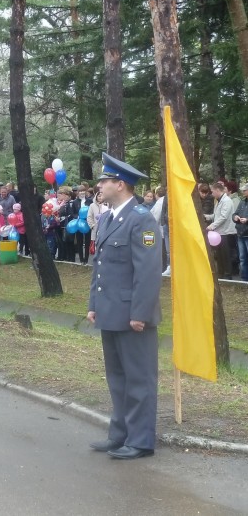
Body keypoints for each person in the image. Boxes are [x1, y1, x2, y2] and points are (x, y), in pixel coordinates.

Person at [87, 153, 162, 460]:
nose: (99, 185)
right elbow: (100, 266)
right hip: (110, 312)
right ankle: (119, 435)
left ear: (120, 184)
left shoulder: (141, 218)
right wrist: (94, 305)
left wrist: (140, 313)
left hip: (133, 316)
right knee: (117, 378)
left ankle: (141, 441)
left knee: (139, 380)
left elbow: (147, 271)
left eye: (104, 180)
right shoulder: (107, 217)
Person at [205, 182, 237, 280]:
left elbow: (223, 217)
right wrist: (207, 216)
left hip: (226, 232)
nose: (212, 194)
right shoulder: (218, 201)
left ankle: (227, 276)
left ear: (218, 190)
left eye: (213, 192)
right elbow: (216, 215)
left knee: (226, 255)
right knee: (219, 255)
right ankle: (221, 274)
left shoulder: (226, 201)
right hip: (219, 233)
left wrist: (212, 226)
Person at [233, 183, 248, 282]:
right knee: (242, 258)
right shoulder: (242, 202)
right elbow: (235, 213)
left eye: (244, 190)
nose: (243, 192)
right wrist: (235, 217)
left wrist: (247, 220)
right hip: (240, 234)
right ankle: (244, 279)